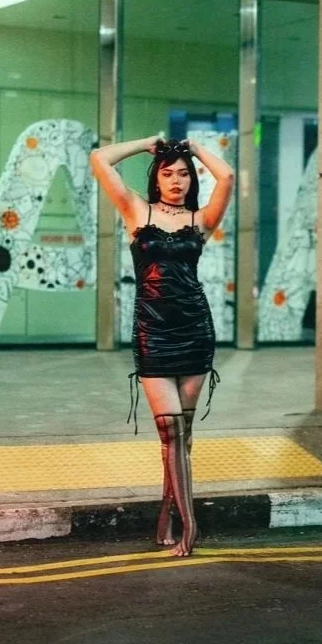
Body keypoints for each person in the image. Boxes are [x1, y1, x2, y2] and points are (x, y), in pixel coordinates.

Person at [90, 134, 235, 556]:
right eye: (169, 173)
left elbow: (225, 174)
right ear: (157, 178)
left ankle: (167, 516)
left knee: (181, 439)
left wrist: (193, 149)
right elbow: (100, 158)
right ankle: (190, 529)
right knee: (171, 432)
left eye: (184, 174)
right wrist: (147, 144)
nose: (177, 180)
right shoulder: (136, 209)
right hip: (153, 334)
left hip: (195, 332)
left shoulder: (201, 220)